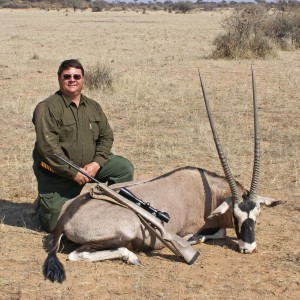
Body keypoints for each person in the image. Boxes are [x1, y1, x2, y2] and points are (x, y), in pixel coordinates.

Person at [32, 59, 134, 233]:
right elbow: (49, 149)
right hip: (58, 174)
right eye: (67, 76)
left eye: (76, 76)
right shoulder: (46, 108)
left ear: (83, 79)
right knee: (55, 226)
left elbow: (106, 136)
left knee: (123, 168)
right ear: (59, 79)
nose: (72, 80)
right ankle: (44, 206)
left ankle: (108, 209)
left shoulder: (93, 106)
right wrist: (74, 172)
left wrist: (96, 163)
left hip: (90, 167)